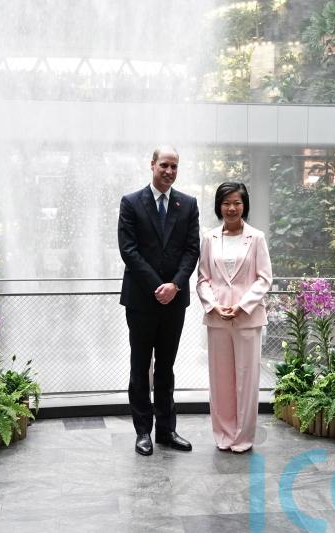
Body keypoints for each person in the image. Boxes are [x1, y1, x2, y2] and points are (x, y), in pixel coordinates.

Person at [118, 146, 200, 456]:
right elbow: (129, 251)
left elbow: (192, 250)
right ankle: (143, 433)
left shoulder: (188, 204)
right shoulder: (131, 203)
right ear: (152, 165)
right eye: (164, 165)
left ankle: (166, 430)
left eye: (174, 166)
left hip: (174, 302)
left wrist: (175, 285)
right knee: (141, 368)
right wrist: (158, 286)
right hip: (142, 301)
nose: (169, 171)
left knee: (166, 368)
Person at [196, 182, 272, 453]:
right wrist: (213, 306)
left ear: (244, 206)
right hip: (217, 319)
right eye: (226, 203)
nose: (231, 208)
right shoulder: (209, 238)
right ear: (219, 206)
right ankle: (224, 435)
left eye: (237, 203)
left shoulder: (257, 238)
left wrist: (243, 305)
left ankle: (243, 437)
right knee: (220, 380)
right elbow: (202, 279)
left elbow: (264, 279)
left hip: (247, 318)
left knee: (247, 378)